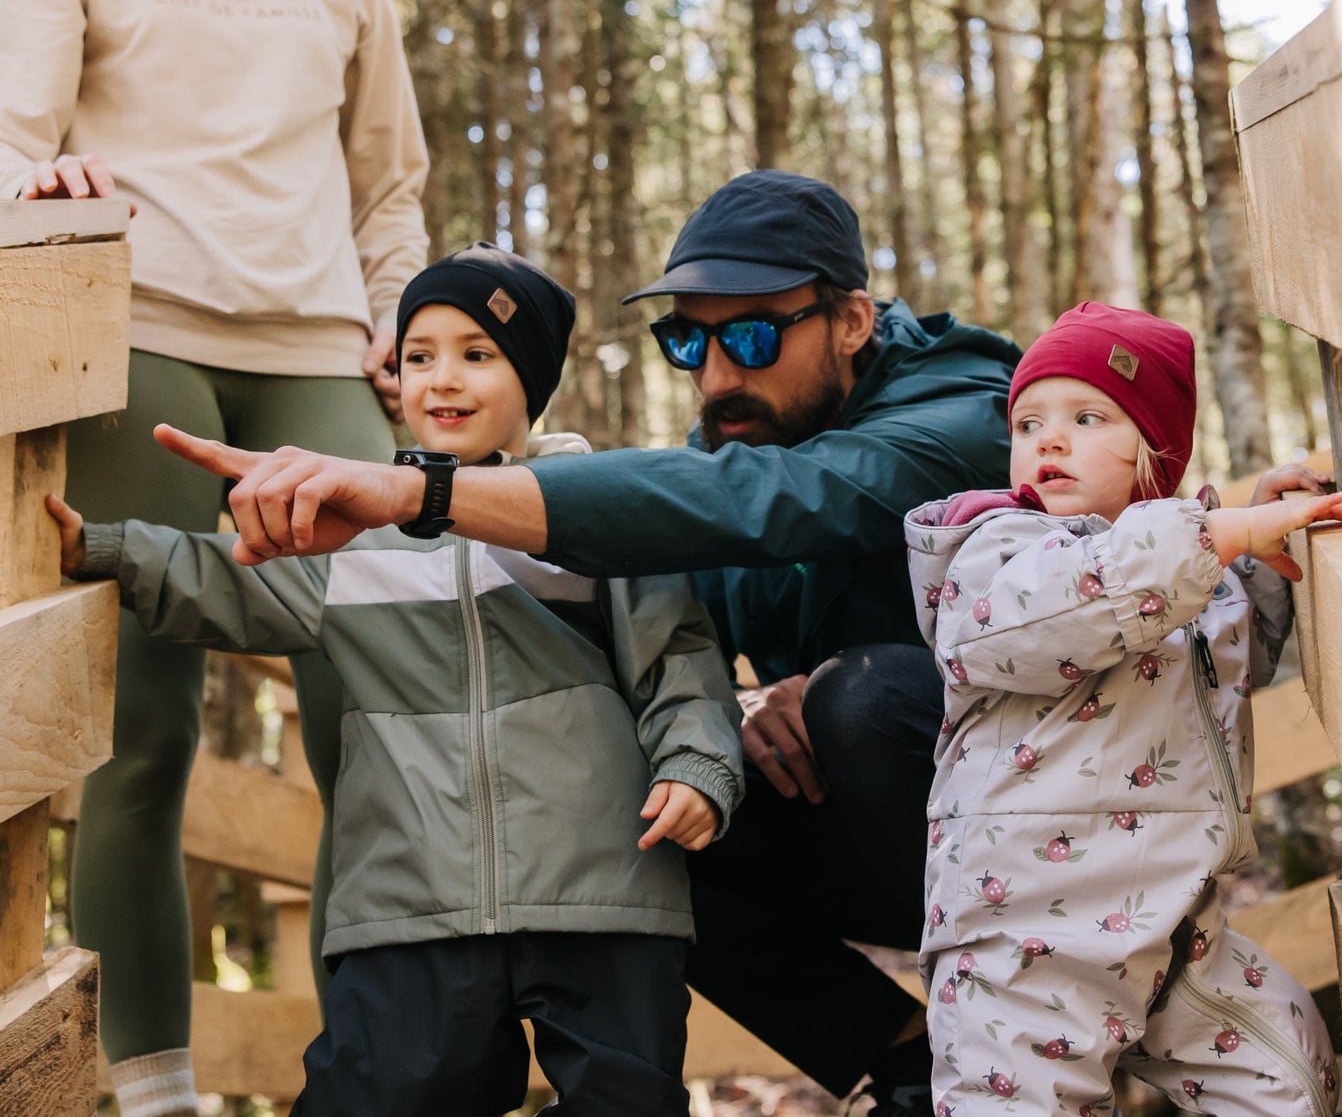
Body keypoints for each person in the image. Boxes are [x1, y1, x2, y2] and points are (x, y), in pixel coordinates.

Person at [151, 169, 1021, 1113]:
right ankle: (900, 1064)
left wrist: (423, 489)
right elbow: (654, 668)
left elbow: (782, 501)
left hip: (1057, 840)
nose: (717, 375)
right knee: (649, 802)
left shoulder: (970, 415)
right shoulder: (734, 440)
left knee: (859, 696)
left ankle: (1021, 1040)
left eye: (754, 336)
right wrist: (730, 718)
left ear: (851, 320)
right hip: (875, 845)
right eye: (688, 339)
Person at [0, 0, 430, 1109]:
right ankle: (153, 1085)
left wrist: (393, 322)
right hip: (144, 334)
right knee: (150, 728)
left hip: (317, 348)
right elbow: (8, 137)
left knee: (371, 702)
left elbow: (392, 187)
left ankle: (391, 1059)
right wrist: (39, 177)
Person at [49, 243, 744, 1117]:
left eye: (475, 354)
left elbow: (680, 661)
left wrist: (698, 768)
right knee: (372, 1095)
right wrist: (101, 548)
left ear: (530, 378)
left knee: (628, 1101)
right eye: (419, 355)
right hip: (412, 908)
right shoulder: (356, 534)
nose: (441, 379)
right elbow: (222, 578)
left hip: (598, 892)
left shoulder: (590, 516)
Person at [904, 302, 1342, 1114]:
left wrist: (1253, 541)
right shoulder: (995, 552)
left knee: (1288, 1068)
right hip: (1023, 945)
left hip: (1175, 934)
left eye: (1085, 417)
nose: (1048, 439)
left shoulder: (1193, 577)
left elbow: (1217, 659)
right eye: (1028, 421)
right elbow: (1077, 602)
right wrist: (1224, 530)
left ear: (1157, 455)